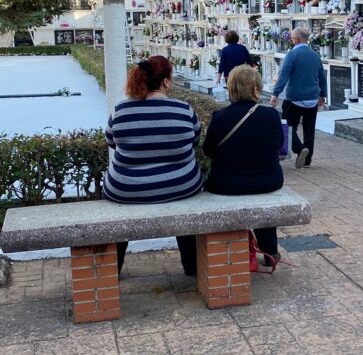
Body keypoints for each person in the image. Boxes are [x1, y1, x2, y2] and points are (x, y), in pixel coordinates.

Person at [103, 55, 203, 276]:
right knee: (186, 210)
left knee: (116, 220)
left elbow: (111, 141)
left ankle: (111, 270)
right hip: (180, 186)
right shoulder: (183, 110)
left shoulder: (121, 110)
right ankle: (192, 266)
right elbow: (195, 140)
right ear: (166, 81)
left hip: (126, 189)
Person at [203, 65, 284, 262]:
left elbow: (208, 151)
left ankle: (230, 252)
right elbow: (279, 145)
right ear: (256, 90)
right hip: (267, 180)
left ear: (231, 89)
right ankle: (270, 251)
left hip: (226, 184)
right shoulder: (271, 115)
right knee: (262, 197)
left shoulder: (219, 117)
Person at [269, 27, 327, 169]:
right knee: (309, 130)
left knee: (289, 129)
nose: (291, 39)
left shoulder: (292, 55)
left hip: (294, 98)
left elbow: (283, 76)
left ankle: (300, 149)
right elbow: (322, 77)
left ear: (298, 39)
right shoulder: (315, 55)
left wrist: (275, 93)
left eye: (292, 37)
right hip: (312, 99)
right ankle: (307, 160)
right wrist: (322, 95)